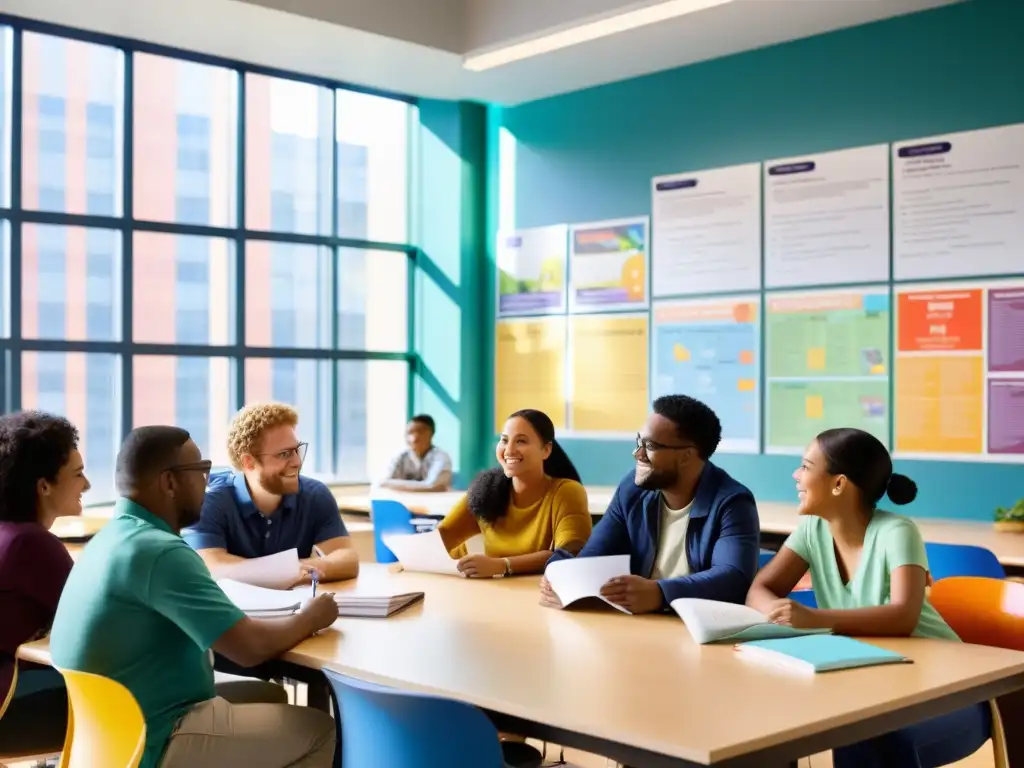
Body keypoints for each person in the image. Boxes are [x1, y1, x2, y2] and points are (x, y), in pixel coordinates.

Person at [50, 426, 339, 768]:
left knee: (271, 694)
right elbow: (249, 649)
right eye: (201, 471)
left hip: (111, 735)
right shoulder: (159, 552)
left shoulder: (110, 539)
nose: (209, 482)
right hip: (159, 735)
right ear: (170, 482)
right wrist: (312, 616)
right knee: (321, 731)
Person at [746, 427, 990, 768]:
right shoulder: (812, 530)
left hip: (946, 686)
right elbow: (760, 588)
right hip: (873, 678)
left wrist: (815, 620)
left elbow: (903, 617)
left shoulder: (897, 531)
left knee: (863, 732)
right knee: (779, 720)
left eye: (804, 466)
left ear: (838, 484)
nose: (795, 475)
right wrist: (775, 611)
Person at [541, 394, 759, 614]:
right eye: (639, 441)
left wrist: (660, 593)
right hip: (642, 624)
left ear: (686, 456)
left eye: (651, 446)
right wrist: (566, 580)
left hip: (698, 628)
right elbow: (595, 555)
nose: (638, 453)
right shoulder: (633, 490)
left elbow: (733, 578)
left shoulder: (732, 502)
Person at [184, 402, 358, 584]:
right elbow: (212, 567)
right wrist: (288, 570)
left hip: (297, 608)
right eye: (284, 454)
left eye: (297, 450)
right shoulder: (210, 501)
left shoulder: (315, 494)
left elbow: (346, 560)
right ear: (249, 462)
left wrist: (290, 570)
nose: (297, 462)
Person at [0, 412, 89, 757]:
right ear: (44, 485)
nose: (87, 485)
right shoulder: (30, 544)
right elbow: (95, 616)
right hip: (10, 707)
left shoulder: (9, 533)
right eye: (78, 473)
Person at [437, 409, 591, 578]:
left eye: (521, 441)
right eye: (504, 440)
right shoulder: (484, 489)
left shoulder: (566, 492)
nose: (509, 450)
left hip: (541, 595)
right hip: (491, 594)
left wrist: (502, 565)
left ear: (546, 450)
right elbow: (441, 537)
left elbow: (569, 553)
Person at [377, 414, 453, 492]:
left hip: (435, 502)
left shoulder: (441, 457)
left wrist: (394, 485)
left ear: (431, 434)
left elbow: (432, 485)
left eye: (420, 432)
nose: (414, 438)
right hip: (405, 501)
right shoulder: (401, 457)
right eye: (409, 432)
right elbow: (382, 483)